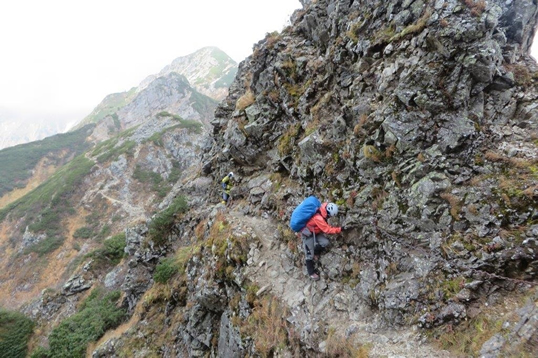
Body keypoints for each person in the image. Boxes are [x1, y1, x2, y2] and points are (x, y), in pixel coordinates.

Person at [301, 202, 341, 281]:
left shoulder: (322, 212)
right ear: (328, 213)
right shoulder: (318, 218)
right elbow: (327, 229)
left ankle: (316, 253)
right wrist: (340, 229)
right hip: (307, 234)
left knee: (325, 242)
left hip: (315, 232)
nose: (329, 217)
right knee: (309, 254)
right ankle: (311, 273)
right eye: (330, 216)